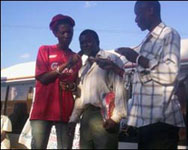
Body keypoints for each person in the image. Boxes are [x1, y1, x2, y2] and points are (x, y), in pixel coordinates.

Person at [114, 1, 185, 149]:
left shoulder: (169, 34)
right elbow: (141, 79)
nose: (136, 19)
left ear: (150, 10)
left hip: (161, 123)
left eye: (138, 13)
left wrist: (138, 58)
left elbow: (171, 74)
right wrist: (114, 67)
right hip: (145, 123)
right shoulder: (147, 40)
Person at [67, 29, 127, 149]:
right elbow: (80, 97)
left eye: (88, 41)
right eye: (82, 42)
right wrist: (73, 119)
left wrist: (116, 118)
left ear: (97, 41)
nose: (85, 45)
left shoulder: (111, 59)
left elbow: (121, 88)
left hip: (104, 116)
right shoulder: (83, 68)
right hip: (86, 116)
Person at [29, 14, 82, 149]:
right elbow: (42, 78)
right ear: (55, 33)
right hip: (42, 111)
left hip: (65, 112)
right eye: (62, 32)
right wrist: (66, 65)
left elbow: (78, 87)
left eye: (69, 32)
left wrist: (72, 86)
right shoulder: (45, 50)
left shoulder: (76, 58)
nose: (66, 35)